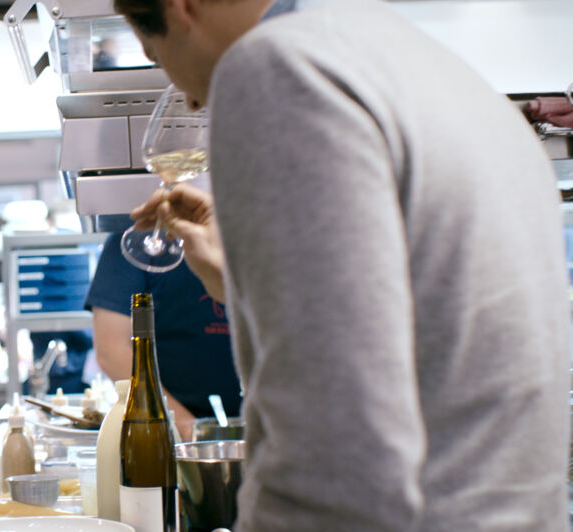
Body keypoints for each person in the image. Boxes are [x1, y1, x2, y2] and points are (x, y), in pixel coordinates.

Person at [117, 0, 570, 530]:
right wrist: (248, 280)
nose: (193, 104)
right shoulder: (431, 67)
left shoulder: (278, 67)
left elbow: (334, 458)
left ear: (181, 7)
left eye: (155, 53)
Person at [85, 215, 237, 441]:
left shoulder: (256, 234)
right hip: (170, 428)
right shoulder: (137, 240)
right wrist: (181, 425)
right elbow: (111, 349)